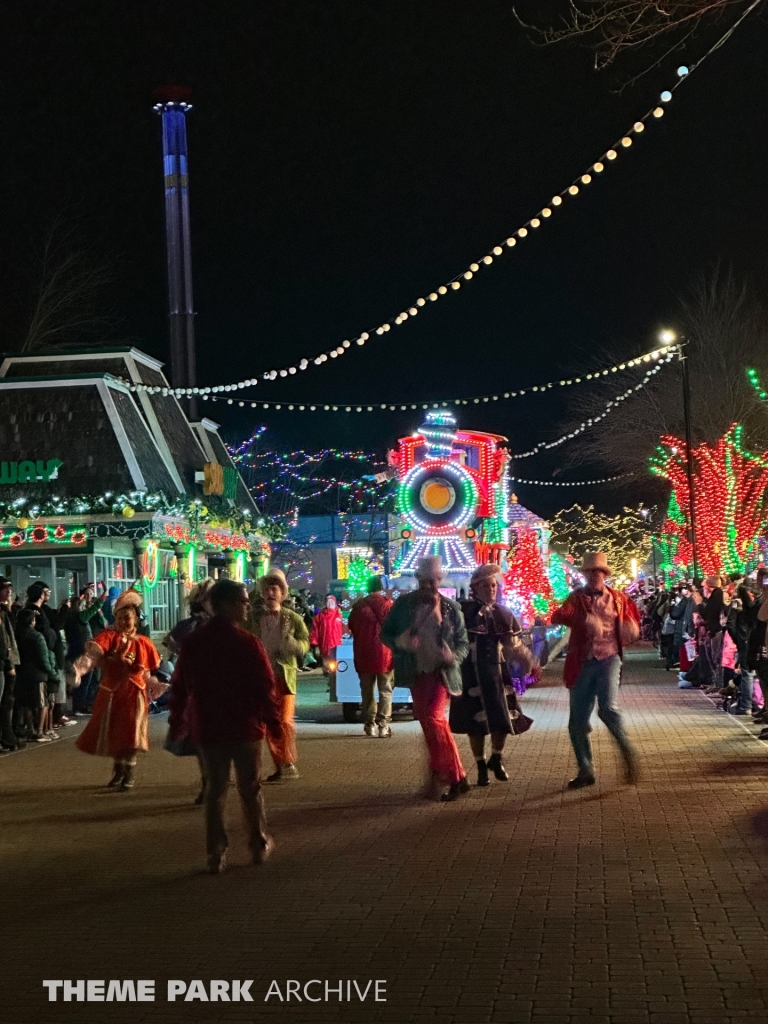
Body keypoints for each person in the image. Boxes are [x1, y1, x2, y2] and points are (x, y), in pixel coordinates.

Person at [168, 579, 283, 874]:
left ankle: (215, 854)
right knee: (250, 788)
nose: (247, 606)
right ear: (228, 605)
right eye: (243, 601)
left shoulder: (194, 643)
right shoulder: (248, 643)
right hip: (245, 727)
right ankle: (257, 844)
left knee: (216, 791)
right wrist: (273, 722)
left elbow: (180, 687)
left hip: (208, 728)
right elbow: (265, 687)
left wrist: (177, 721)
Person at [381, 556, 470, 802]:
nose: (430, 586)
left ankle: (456, 776)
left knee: (434, 719)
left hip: (441, 673)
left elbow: (463, 643)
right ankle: (442, 773)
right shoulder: (404, 605)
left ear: (439, 581)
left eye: (434, 581)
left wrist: (453, 656)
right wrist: (401, 642)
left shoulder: (451, 608)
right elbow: (386, 634)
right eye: (425, 581)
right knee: (428, 723)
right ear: (418, 580)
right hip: (416, 673)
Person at [550, 551, 641, 790]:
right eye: (589, 572)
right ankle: (585, 768)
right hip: (582, 661)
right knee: (577, 719)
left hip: (609, 658)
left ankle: (626, 749)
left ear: (604, 574)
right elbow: (558, 616)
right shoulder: (576, 598)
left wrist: (631, 627)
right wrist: (580, 620)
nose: (593, 576)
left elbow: (634, 620)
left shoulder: (619, 598)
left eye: (597, 572)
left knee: (607, 708)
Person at [449, 564, 538, 787]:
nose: (492, 589)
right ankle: (480, 766)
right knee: (475, 723)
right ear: (476, 587)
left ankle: (496, 758)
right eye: (487, 585)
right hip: (471, 673)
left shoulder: (502, 613)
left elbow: (513, 644)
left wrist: (528, 661)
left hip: (497, 672)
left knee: (502, 718)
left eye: (494, 585)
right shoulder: (463, 611)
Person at [74, 590, 165, 790]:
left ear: (136, 621)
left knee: (131, 735)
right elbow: (92, 657)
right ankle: (119, 770)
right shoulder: (109, 638)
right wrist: (79, 670)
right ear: (115, 618)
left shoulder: (143, 643)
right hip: (112, 694)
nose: (125, 622)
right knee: (115, 734)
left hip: (134, 695)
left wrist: (155, 685)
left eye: (128, 618)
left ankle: (129, 773)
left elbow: (147, 672)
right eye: (121, 618)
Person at [247, 568, 309, 782]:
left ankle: (288, 762)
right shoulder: (253, 619)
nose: (271, 593)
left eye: (276, 589)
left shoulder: (293, 619)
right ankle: (280, 765)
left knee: (284, 720)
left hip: (284, 676)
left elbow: (305, 644)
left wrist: (293, 645)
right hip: (260, 677)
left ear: (283, 593)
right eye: (267, 589)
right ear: (262, 593)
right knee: (265, 723)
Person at [164, 578, 216, 804]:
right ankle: (209, 780)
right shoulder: (191, 625)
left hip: (219, 687)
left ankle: (215, 778)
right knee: (202, 739)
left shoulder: (222, 624)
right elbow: (173, 646)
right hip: (196, 688)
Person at [348, 577, 394, 737]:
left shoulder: (358, 606)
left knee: (367, 690)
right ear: (381, 587)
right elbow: (393, 629)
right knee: (385, 690)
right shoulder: (387, 604)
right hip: (384, 654)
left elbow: (352, 626)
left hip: (363, 653)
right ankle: (383, 725)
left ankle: (369, 725)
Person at [15, 607, 60, 742]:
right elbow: (43, 658)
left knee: (27, 704)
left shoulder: (17, 635)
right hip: (38, 674)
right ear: (32, 621)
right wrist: (53, 674)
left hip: (22, 673)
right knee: (42, 703)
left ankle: (30, 730)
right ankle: (40, 731)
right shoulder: (37, 636)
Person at [0, 577, 22, 750]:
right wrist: (8, 663)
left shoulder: (3, 611)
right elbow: (3, 641)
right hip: (3, 663)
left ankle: (7, 737)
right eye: (5, 589)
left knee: (7, 701)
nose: (9, 592)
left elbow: (11, 635)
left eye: (10, 588)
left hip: (7, 662)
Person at [310, 595, 344, 675]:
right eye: (328, 602)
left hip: (337, 643)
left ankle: (336, 672)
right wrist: (314, 641)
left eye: (331, 602)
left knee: (336, 659)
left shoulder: (339, 614)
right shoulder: (320, 616)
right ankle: (326, 670)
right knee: (326, 659)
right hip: (324, 642)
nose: (330, 603)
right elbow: (315, 629)